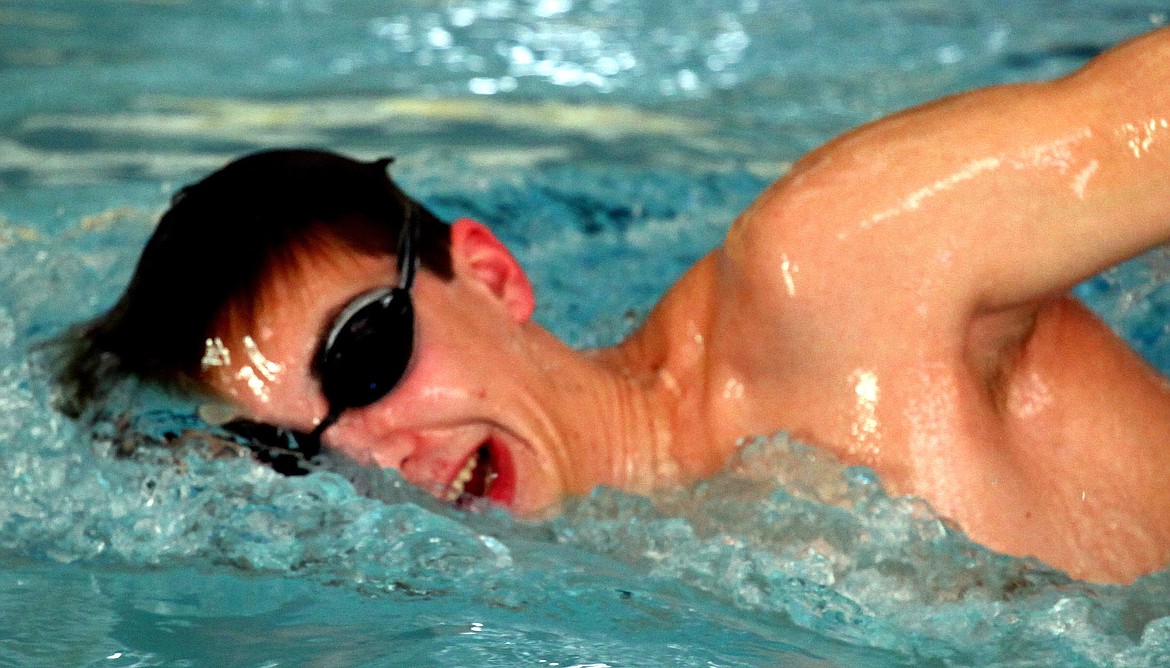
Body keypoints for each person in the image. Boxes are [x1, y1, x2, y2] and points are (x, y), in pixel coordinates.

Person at [54, 26, 1170, 584]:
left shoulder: (841, 270)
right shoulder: (617, 587)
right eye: (298, 452)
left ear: (490, 275)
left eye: (367, 353)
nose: (373, 455)